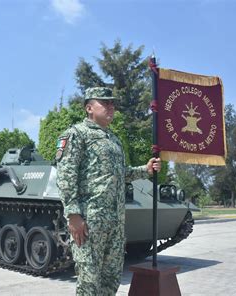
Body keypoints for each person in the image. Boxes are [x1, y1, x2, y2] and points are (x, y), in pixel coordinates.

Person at [56, 86, 161, 295]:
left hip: (114, 222)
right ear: (89, 108)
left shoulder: (113, 140)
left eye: (112, 103)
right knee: (89, 282)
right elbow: (66, 176)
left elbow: (119, 173)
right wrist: (73, 215)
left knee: (111, 280)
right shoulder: (76, 134)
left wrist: (145, 170)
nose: (110, 107)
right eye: (104, 103)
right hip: (90, 222)